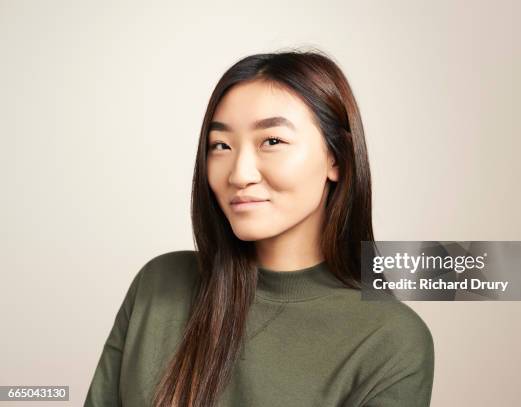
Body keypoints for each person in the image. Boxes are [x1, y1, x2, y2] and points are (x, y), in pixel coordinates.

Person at [84, 48, 434, 407]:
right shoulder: (159, 285)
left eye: (272, 141)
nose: (239, 174)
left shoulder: (390, 338)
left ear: (336, 159)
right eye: (221, 145)